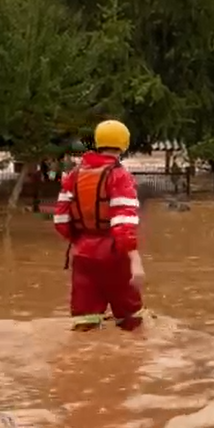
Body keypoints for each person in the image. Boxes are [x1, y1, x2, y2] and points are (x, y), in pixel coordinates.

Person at [53, 119, 146, 332]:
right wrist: (135, 259)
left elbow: (60, 220)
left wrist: (80, 241)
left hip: (82, 254)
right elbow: (124, 222)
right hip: (114, 254)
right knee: (132, 322)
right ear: (124, 144)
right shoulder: (120, 176)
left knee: (85, 322)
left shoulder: (74, 175)